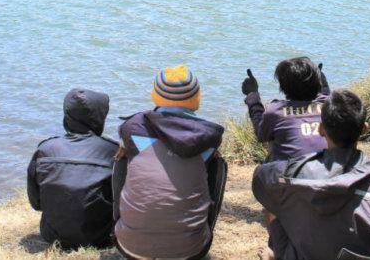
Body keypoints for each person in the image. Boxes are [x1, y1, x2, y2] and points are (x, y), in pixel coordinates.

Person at [252, 89, 370, 260]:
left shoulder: (289, 176)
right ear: (364, 129)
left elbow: (259, 179)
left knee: (274, 207)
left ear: (321, 129)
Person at [113, 65, 227, 260]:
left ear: (155, 95)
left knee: (122, 158)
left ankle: (123, 222)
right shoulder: (208, 135)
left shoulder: (131, 127)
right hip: (191, 251)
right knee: (217, 164)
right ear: (196, 98)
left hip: (130, 247)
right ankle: (198, 228)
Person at [27, 88, 120, 250]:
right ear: (100, 118)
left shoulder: (44, 150)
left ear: (67, 117)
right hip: (101, 237)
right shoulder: (113, 152)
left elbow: (36, 203)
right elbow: (121, 203)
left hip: (52, 235)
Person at [242, 57, 329, 162]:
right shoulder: (328, 106)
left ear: (282, 87)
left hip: (289, 176)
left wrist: (253, 95)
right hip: (325, 173)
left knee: (260, 172)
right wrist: (320, 79)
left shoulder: (276, 111)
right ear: (317, 83)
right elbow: (325, 93)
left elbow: (261, 134)